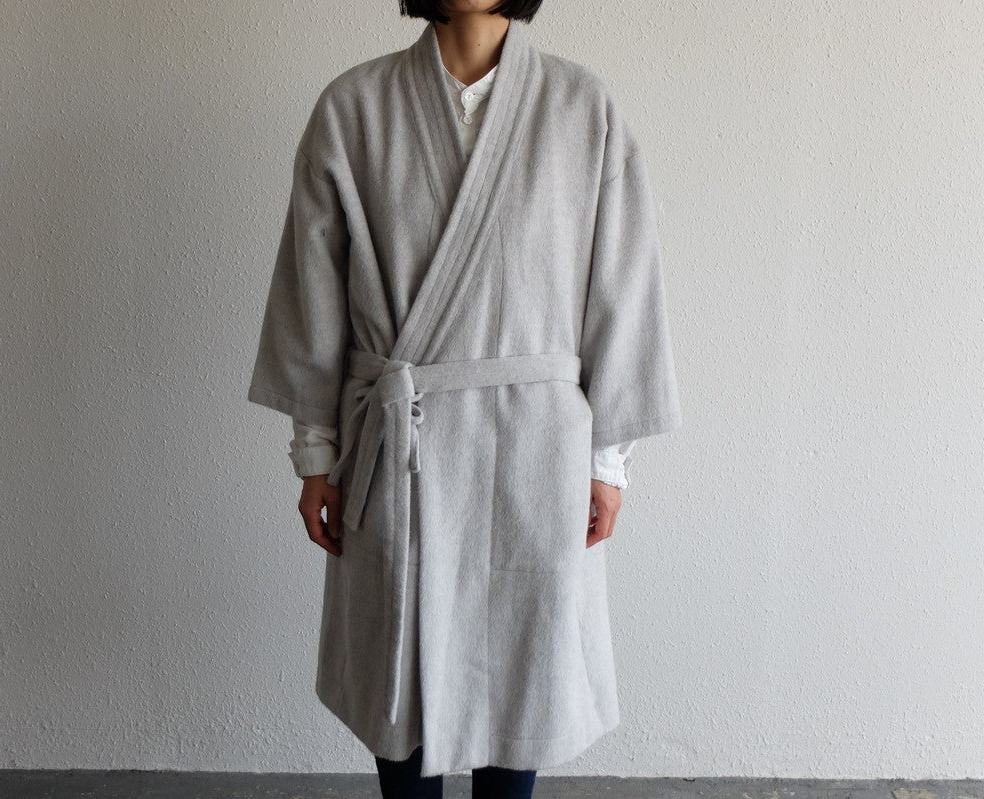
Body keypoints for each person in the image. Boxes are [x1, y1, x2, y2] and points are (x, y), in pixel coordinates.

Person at [247, 0, 682, 795]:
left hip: (536, 450)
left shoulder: (583, 108)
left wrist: (608, 461)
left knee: (523, 677)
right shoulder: (353, 108)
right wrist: (314, 450)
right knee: (399, 682)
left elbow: (620, 290)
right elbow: (313, 291)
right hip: (400, 444)